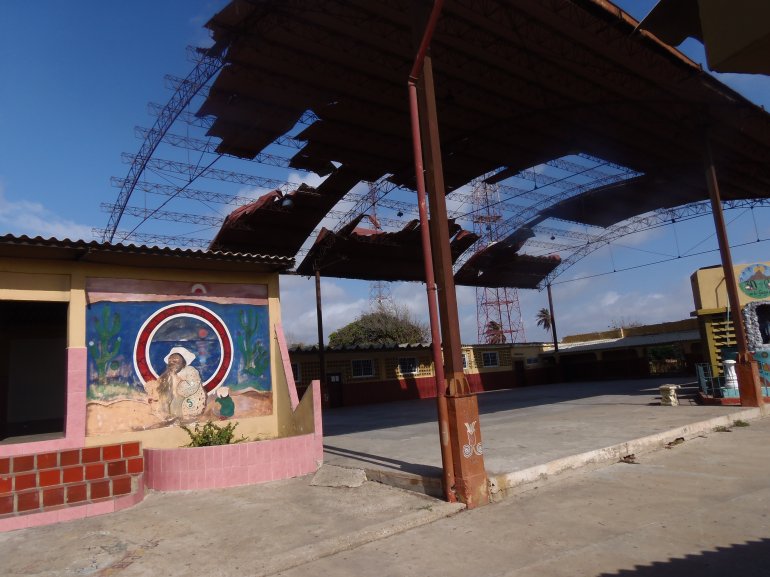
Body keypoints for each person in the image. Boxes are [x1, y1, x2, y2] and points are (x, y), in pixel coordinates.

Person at [162, 346, 207, 420]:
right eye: (170, 362)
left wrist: (178, 383)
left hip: (190, 401)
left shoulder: (190, 370)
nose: (172, 363)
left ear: (183, 363)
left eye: (175, 361)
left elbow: (192, 386)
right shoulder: (170, 374)